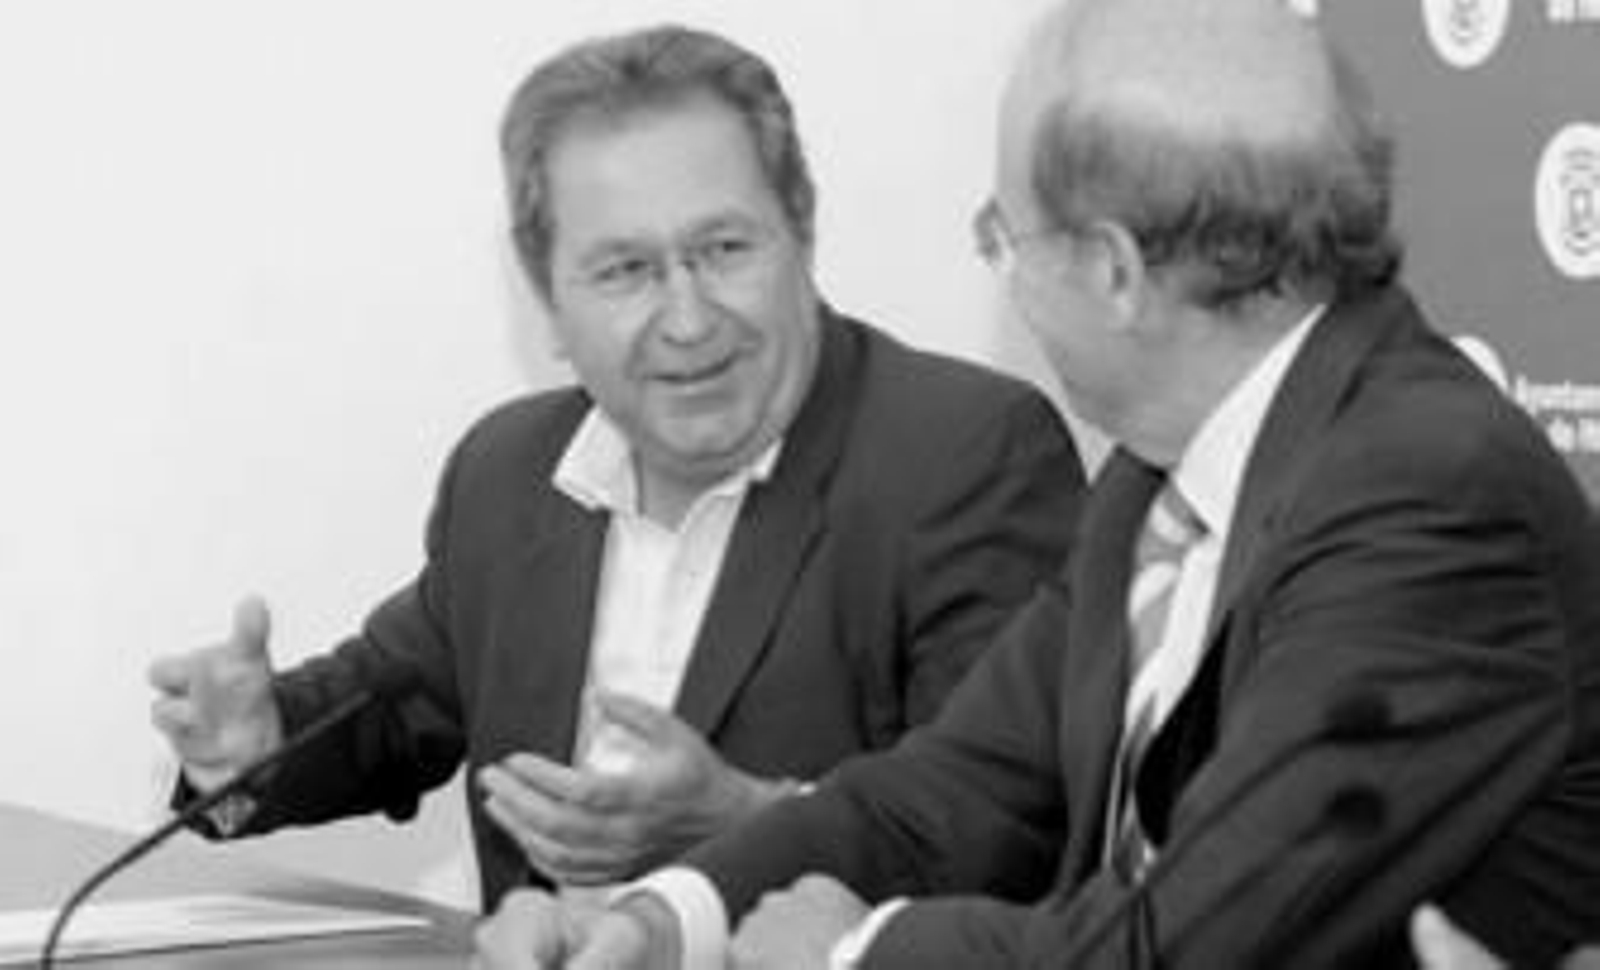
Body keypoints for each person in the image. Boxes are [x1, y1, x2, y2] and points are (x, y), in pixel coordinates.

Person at [471, 0, 1600, 966]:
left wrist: (858, 954)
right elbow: (953, 791)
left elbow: (1200, 944)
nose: (1004, 278)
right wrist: (662, 919)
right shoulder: (1155, 481)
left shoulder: (1431, 496)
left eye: (1004, 235)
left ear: (1111, 269)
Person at [146, 24, 1086, 912]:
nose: (688, 319)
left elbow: (1010, 832)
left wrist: (747, 821)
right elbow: (390, 708)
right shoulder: (510, 471)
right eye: (625, 271)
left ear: (801, 233)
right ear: (548, 299)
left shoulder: (966, 455)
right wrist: (257, 748)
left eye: (724, 250)